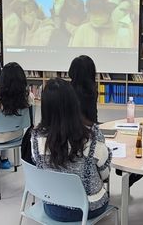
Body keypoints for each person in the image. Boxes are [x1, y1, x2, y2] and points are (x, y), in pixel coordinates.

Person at [31, 78, 111, 222]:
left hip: (52, 206)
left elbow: (39, 165)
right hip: (89, 207)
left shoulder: (36, 137)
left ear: (45, 107)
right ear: (74, 103)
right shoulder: (92, 136)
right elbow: (105, 174)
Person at [68, 55, 98, 124]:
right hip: (88, 129)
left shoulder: (67, 90)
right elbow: (93, 117)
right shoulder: (92, 91)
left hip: (69, 130)